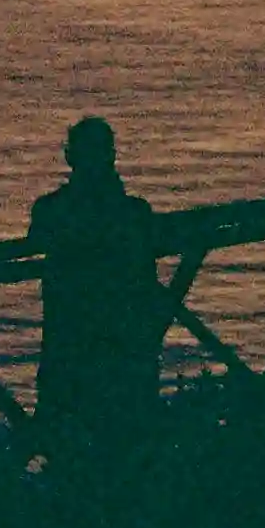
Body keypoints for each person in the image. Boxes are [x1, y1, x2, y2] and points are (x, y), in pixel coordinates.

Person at [28, 116, 164, 464]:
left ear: (69, 157)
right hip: (129, 341)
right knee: (128, 440)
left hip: (70, 341)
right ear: (112, 156)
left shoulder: (52, 211)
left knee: (65, 436)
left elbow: (38, 233)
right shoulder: (136, 213)